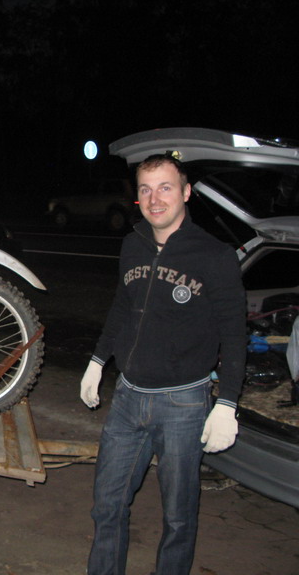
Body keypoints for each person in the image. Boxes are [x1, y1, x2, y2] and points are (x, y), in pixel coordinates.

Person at [79, 153, 246, 575]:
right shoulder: (132, 244)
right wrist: (98, 360)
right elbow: (122, 307)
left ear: (186, 192)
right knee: (107, 506)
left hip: (183, 405)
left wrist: (227, 403)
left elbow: (234, 334)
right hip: (128, 399)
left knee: (178, 518)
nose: (155, 199)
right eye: (146, 189)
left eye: (165, 188)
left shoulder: (215, 255)